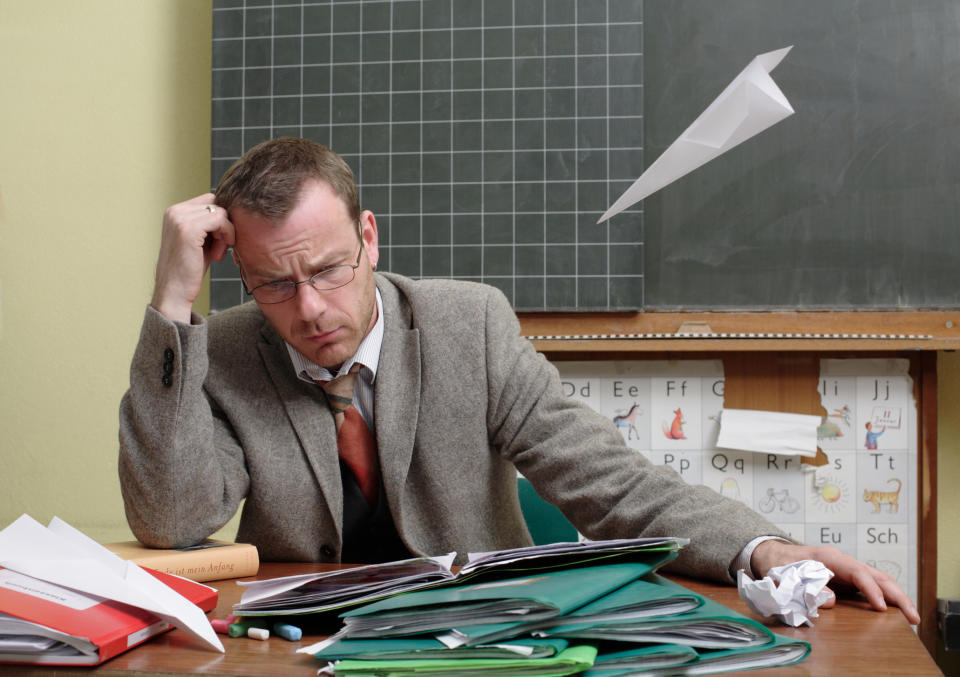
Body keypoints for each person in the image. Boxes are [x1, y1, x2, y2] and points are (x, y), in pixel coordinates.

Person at [118, 137, 918, 624]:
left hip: (484, 639)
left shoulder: (472, 326)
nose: (312, 308)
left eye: (329, 268)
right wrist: (173, 304)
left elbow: (614, 485)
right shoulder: (217, 351)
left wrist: (764, 546)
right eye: (273, 285)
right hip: (304, 649)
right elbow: (173, 518)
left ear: (368, 235)